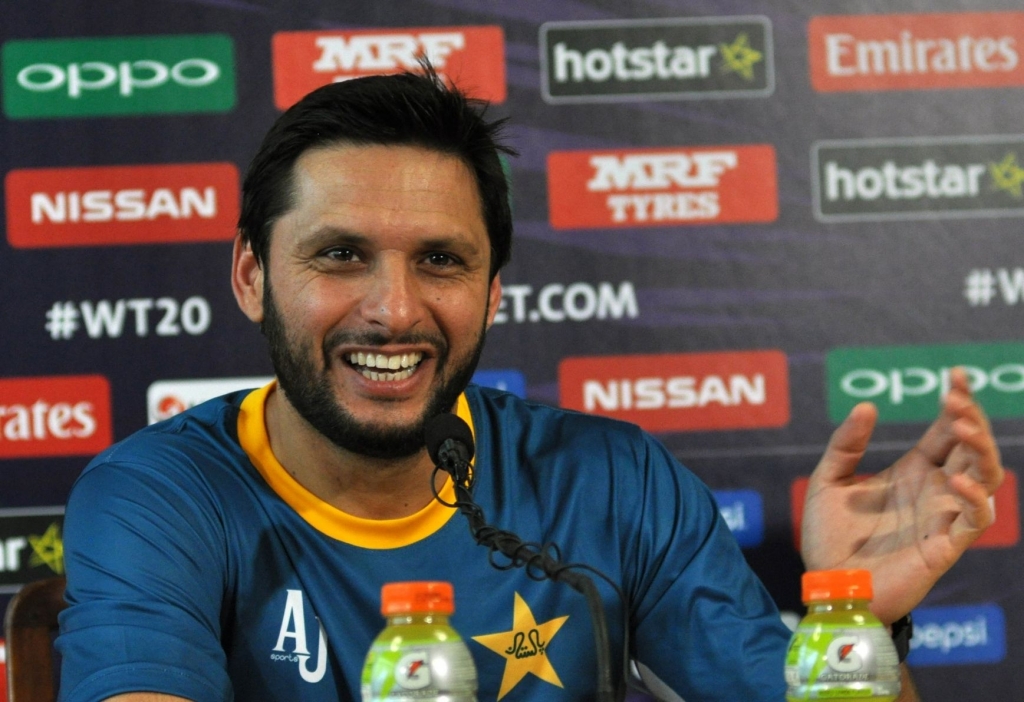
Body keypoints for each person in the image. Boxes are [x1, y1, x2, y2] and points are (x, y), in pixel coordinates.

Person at [56, 65, 1004, 702]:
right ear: (252, 276)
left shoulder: (613, 478)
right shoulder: (157, 499)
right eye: (339, 255)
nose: (392, 310)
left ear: (493, 292)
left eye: (441, 261)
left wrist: (854, 620)